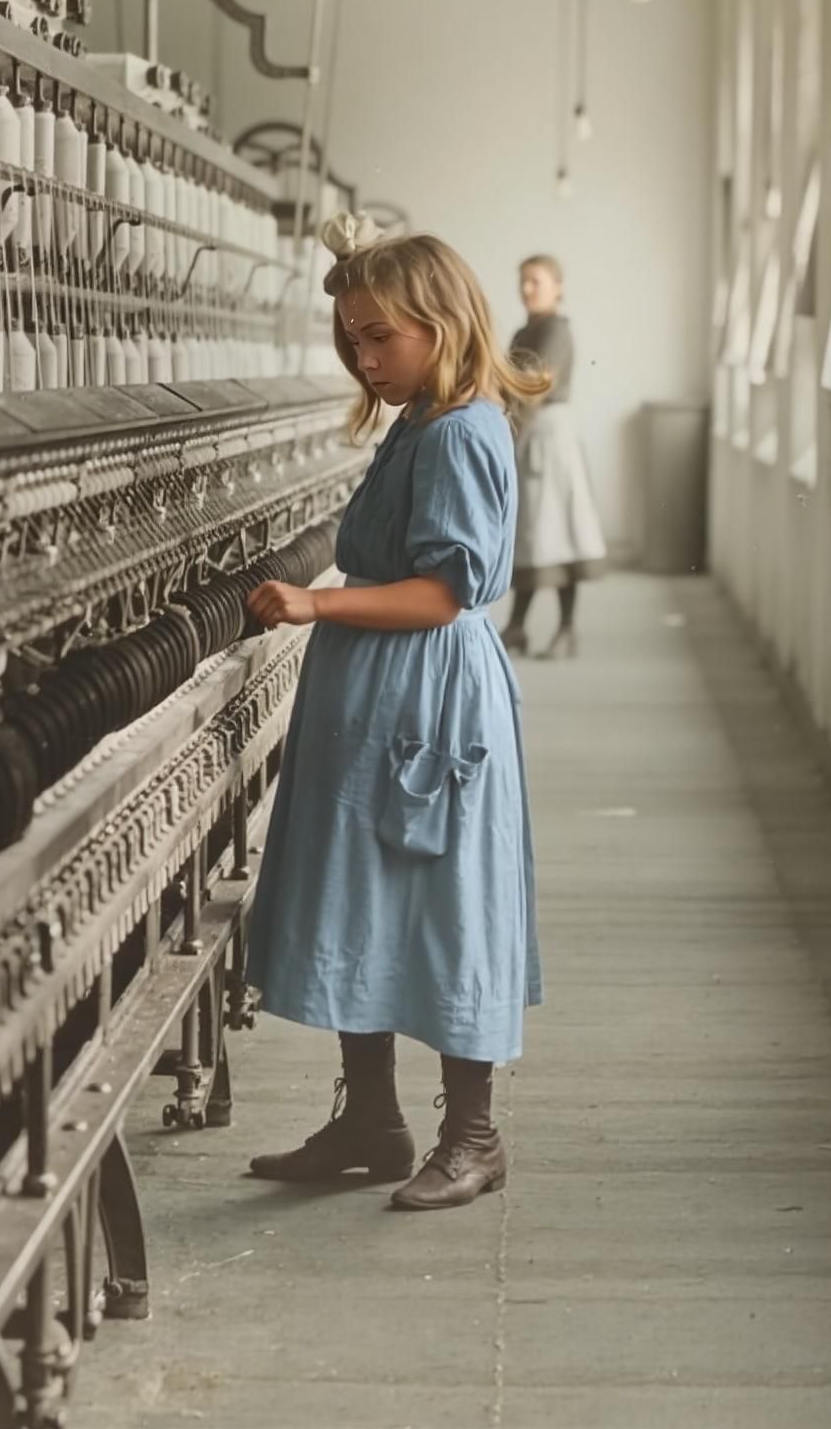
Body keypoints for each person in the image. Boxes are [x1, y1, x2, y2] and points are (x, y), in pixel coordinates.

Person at [240, 218, 546, 1212]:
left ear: (441, 322)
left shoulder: (460, 429)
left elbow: (446, 591)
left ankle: (475, 1134)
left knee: (446, 899)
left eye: (381, 336)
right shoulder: (419, 419)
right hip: (375, 687)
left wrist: (314, 602)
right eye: (352, 339)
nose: (364, 358)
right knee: (359, 893)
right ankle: (370, 1118)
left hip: (427, 691)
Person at [500, 254, 607, 659]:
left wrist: (508, 434)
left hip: (547, 434)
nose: (527, 289)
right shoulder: (523, 331)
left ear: (558, 287)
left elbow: (531, 386)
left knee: (559, 532)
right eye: (523, 281)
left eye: (536, 282)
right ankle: (517, 626)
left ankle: (566, 627)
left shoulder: (556, 332)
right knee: (531, 531)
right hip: (528, 432)